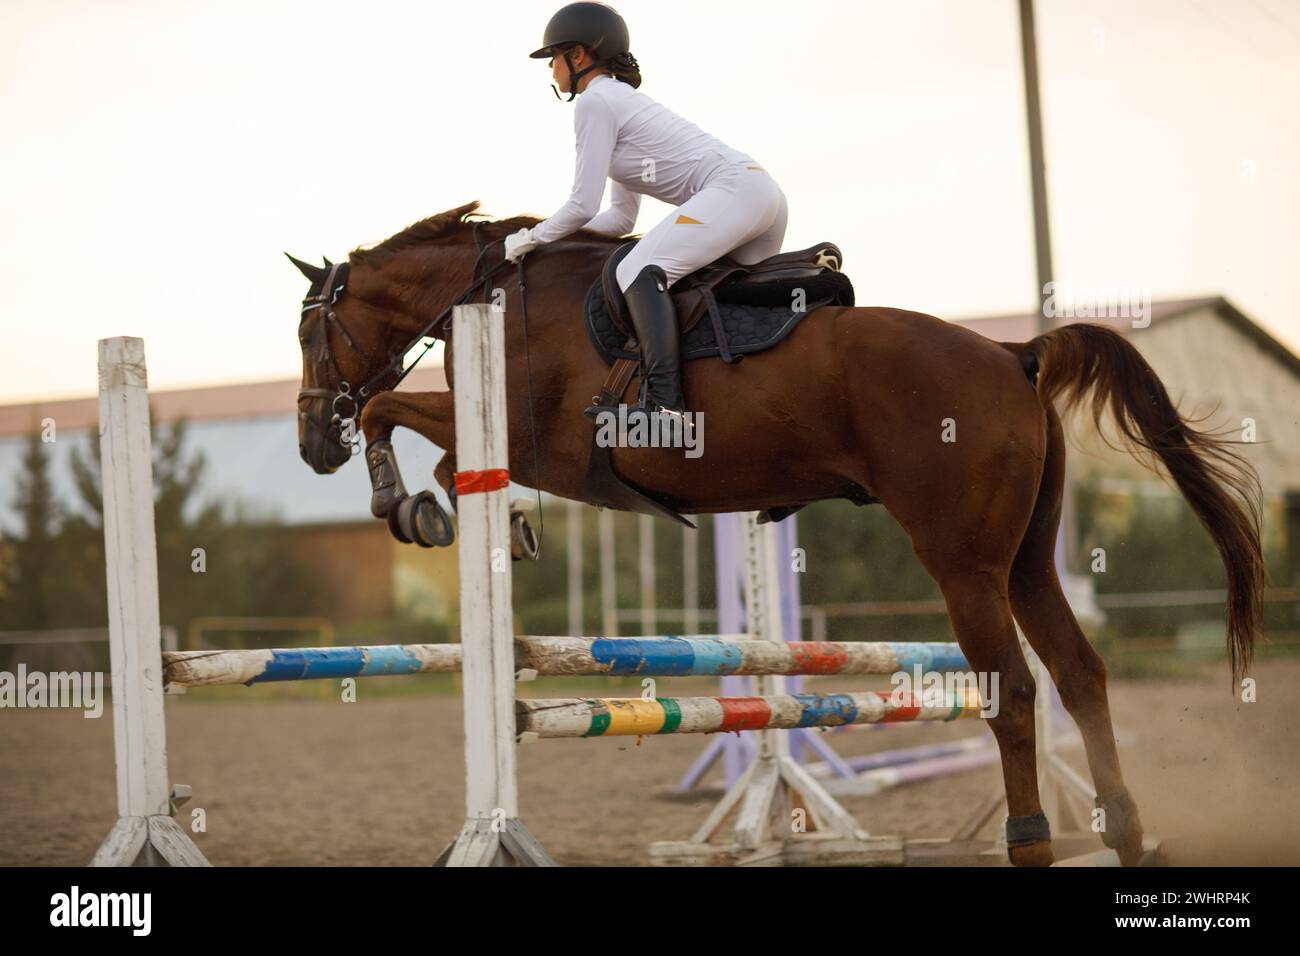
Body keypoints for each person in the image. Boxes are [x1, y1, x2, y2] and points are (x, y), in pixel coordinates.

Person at [505, 1, 788, 427]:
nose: (552, 70)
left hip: (733, 193)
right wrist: (561, 237)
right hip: (761, 196)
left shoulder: (595, 102)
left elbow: (583, 205)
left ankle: (665, 405)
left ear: (578, 55)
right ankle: (803, 280)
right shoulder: (621, 101)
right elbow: (620, 219)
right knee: (711, 290)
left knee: (638, 271)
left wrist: (535, 236)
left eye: (553, 59)